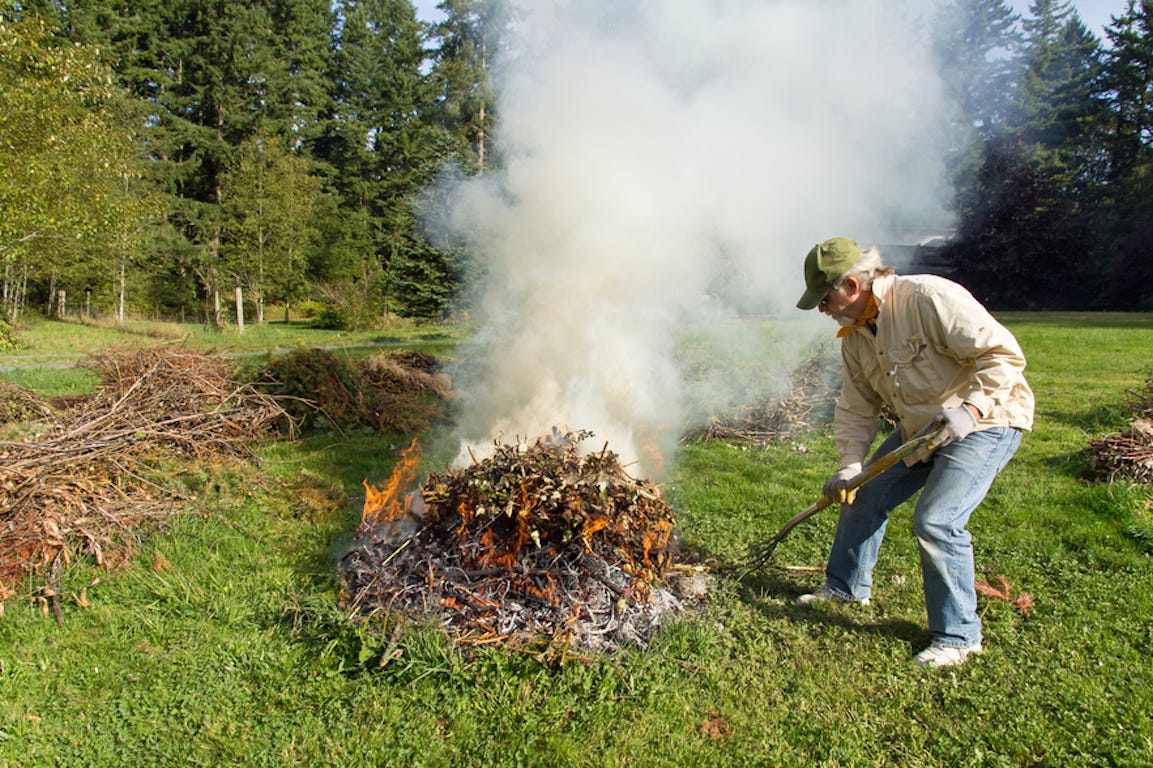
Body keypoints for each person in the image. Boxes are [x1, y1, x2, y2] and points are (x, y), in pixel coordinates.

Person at [794, 237, 1034, 667]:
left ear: (851, 285)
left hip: (987, 421)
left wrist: (972, 408)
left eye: (824, 299)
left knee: (937, 520)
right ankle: (846, 588)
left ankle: (959, 636)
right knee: (863, 493)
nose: (821, 310)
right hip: (921, 429)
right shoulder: (855, 337)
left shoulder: (928, 297)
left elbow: (1002, 356)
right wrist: (851, 465)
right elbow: (856, 405)